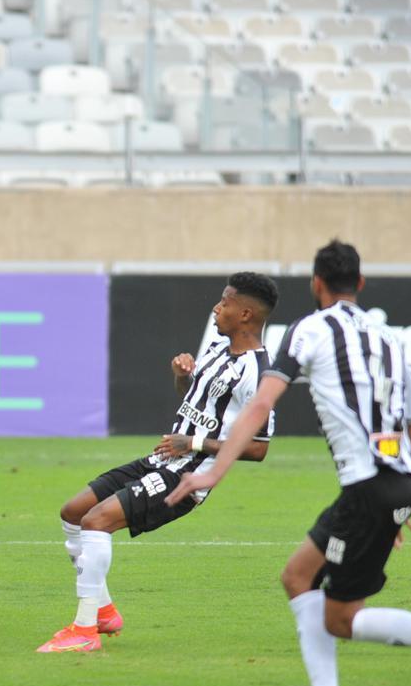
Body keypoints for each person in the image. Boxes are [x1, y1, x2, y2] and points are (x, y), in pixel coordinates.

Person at [166, 241, 411, 686]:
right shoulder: (389, 338)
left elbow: (260, 406)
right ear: (362, 285)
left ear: (316, 284)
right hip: (398, 483)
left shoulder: (311, 329)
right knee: (298, 578)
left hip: (371, 489)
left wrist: (212, 470)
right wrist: (401, 495)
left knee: (341, 619)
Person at [38, 272, 280, 653]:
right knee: (73, 513)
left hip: (187, 477)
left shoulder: (259, 373)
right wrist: (181, 378)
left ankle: (83, 632)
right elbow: (192, 406)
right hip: (160, 460)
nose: (217, 307)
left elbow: (258, 448)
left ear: (246, 314)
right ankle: (102, 610)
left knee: (96, 521)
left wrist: (195, 442)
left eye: (226, 302)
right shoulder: (218, 351)